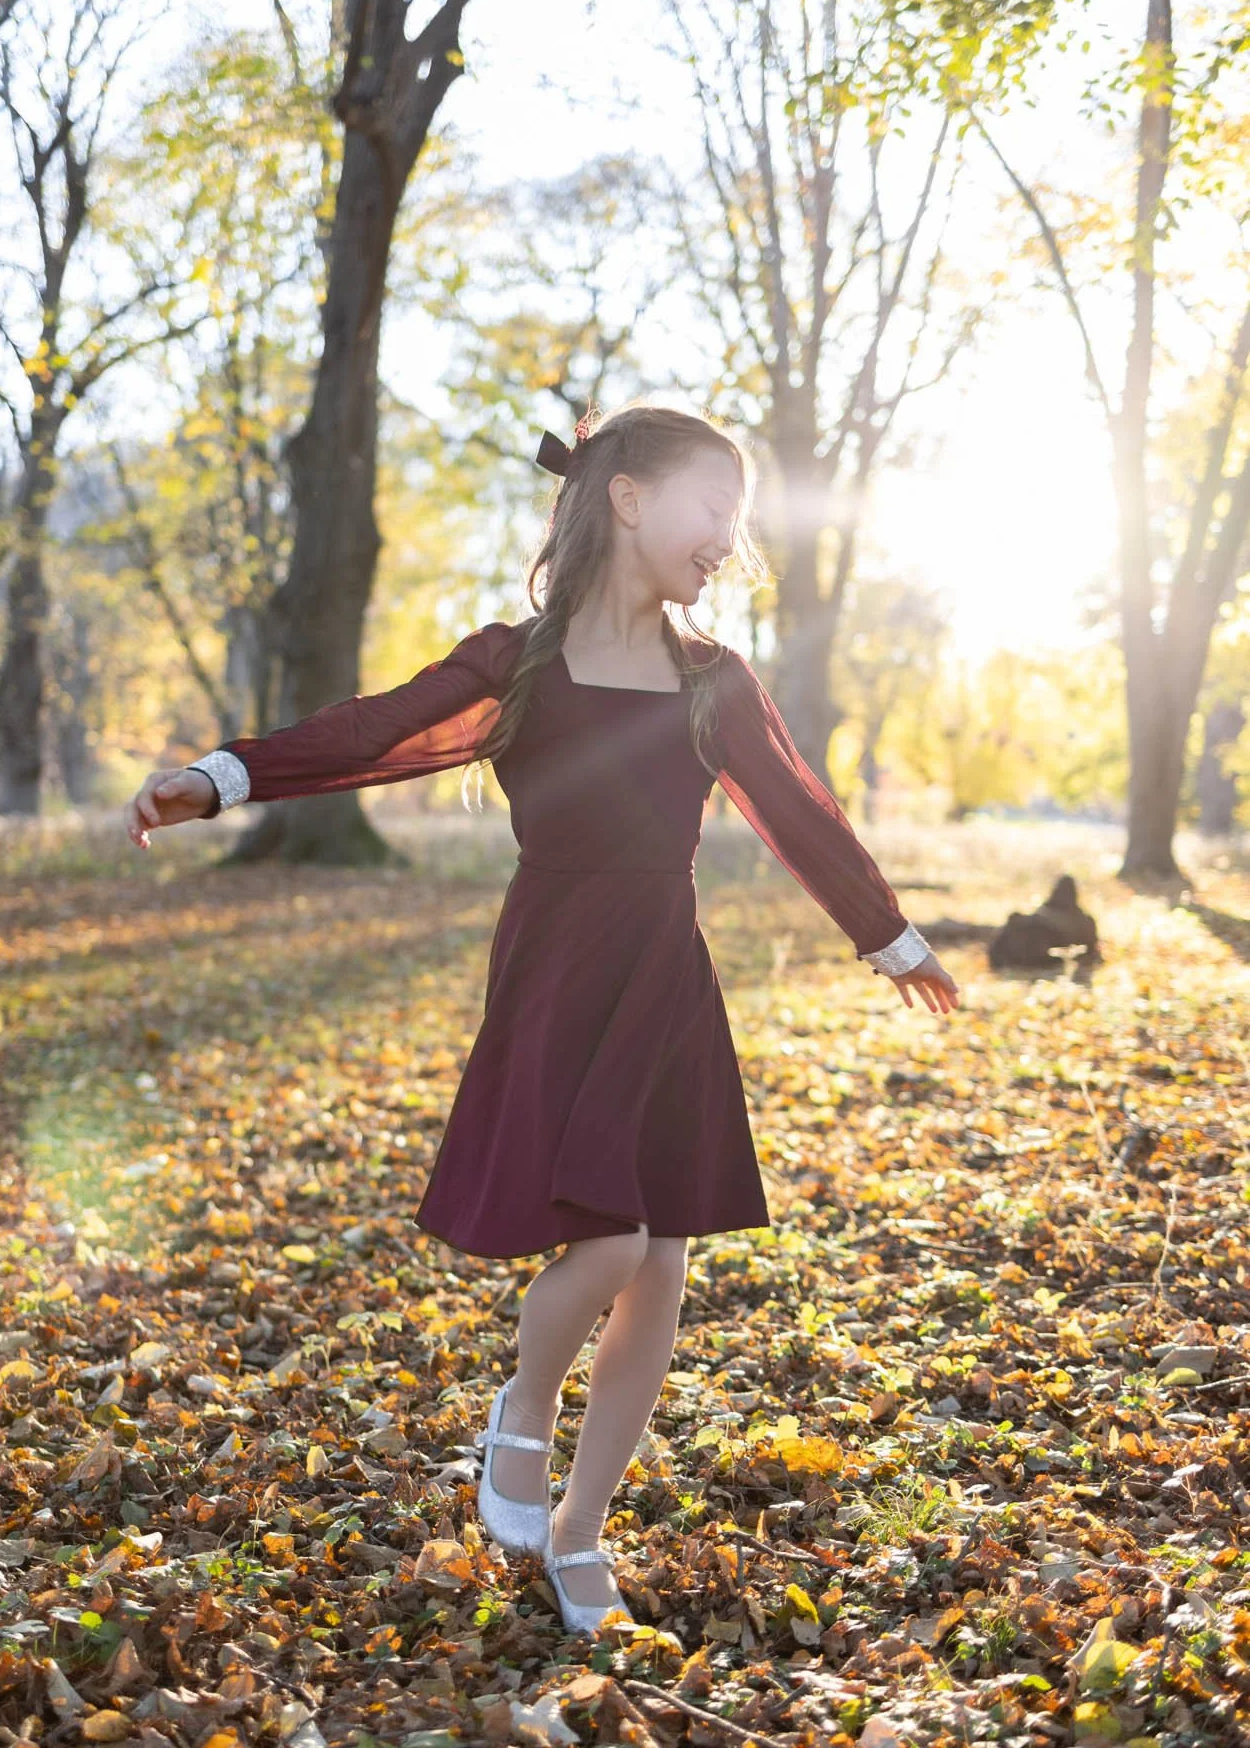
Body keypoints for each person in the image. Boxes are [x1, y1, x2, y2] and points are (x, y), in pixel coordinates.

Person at [123, 400, 960, 1637]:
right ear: (626, 499)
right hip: (560, 966)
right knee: (612, 1237)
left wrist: (886, 933)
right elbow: (374, 728)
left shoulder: (707, 679)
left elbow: (796, 806)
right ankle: (517, 1418)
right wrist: (223, 776)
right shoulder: (517, 658)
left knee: (661, 1257)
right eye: (710, 507)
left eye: (737, 515)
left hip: (661, 974)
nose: (728, 536)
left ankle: (577, 1530)